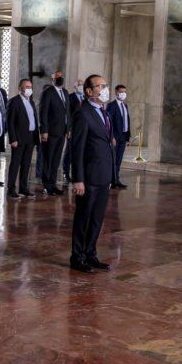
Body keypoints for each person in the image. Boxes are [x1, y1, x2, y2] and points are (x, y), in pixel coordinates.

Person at [69, 74, 115, 273]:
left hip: (103, 175)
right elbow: (77, 149)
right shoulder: (83, 113)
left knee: (97, 219)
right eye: (100, 86)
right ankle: (77, 257)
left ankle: (90, 254)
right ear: (89, 91)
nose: (105, 89)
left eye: (105, 85)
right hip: (88, 177)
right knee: (84, 218)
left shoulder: (104, 112)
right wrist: (78, 179)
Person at [39, 70, 70, 195]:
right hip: (50, 132)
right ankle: (47, 185)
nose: (60, 78)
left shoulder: (65, 92)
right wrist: (44, 130)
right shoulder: (48, 93)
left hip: (62, 132)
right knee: (48, 159)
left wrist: (68, 129)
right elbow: (43, 112)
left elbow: (68, 112)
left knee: (56, 160)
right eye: (57, 77)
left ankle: (53, 184)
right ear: (52, 79)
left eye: (61, 77)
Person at [6, 79, 39, 199]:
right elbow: (10, 122)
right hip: (18, 138)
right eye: (27, 87)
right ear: (20, 88)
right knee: (15, 164)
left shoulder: (31, 102)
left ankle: (23, 188)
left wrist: (36, 138)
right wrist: (13, 139)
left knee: (26, 164)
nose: (29, 89)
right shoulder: (14, 101)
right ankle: (11, 189)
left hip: (30, 137)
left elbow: (33, 119)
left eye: (30, 87)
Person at [106, 85, 131, 190]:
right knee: (113, 159)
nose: (123, 94)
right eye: (121, 92)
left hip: (123, 137)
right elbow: (109, 122)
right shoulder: (111, 105)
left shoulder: (125, 105)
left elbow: (127, 121)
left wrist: (128, 137)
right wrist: (111, 137)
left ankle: (116, 180)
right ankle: (111, 180)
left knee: (119, 160)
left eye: (125, 92)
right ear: (116, 92)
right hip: (115, 137)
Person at [64, 79, 85, 182]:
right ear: (75, 87)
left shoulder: (85, 97)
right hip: (73, 129)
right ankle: (66, 172)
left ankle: (78, 173)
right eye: (79, 85)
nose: (81, 87)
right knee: (69, 151)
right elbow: (67, 115)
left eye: (82, 85)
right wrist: (68, 129)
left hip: (83, 128)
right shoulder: (70, 97)